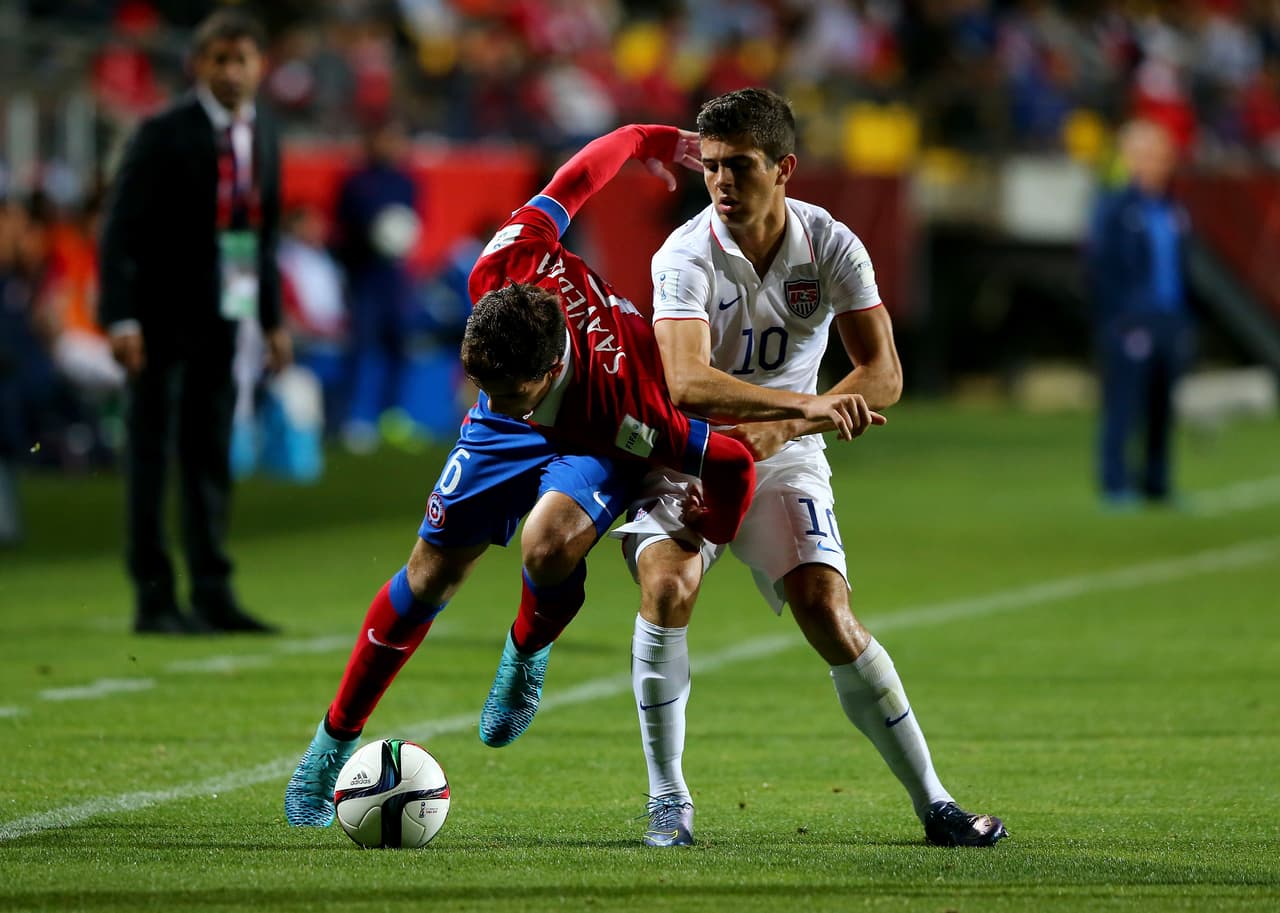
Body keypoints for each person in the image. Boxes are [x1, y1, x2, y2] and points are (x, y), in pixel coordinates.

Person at [283, 122, 870, 829]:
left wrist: (705, 529)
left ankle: (527, 650)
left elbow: (731, 461)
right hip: (507, 436)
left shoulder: (630, 407)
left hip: (591, 436)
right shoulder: (504, 264)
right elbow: (579, 177)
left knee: (549, 542)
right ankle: (328, 747)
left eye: (504, 389)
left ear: (548, 373)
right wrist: (647, 137)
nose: (487, 397)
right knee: (429, 573)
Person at [483, 88, 1006, 849]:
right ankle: (670, 803)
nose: (722, 183)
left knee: (827, 609)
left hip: (787, 453)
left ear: (784, 167)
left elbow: (884, 372)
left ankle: (935, 803)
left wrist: (791, 421)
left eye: (740, 167)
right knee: (667, 585)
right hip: (679, 450)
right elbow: (686, 380)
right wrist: (806, 406)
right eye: (712, 167)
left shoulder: (831, 245)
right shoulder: (685, 254)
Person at [99, 9, 291, 634]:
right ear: (199, 65)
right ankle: (155, 599)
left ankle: (212, 591)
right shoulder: (163, 131)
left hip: (223, 317)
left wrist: (268, 321)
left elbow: (255, 237)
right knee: (152, 459)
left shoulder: (262, 133)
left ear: (260, 66)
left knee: (209, 455)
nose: (231, 72)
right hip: (157, 319)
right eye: (219, 60)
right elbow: (119, 229)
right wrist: (121, 316)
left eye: (242, 60)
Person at [1086, 119, 1196, 508]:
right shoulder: (1115, 208)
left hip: (1169, 318)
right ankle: (1115, 483)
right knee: (1124, 403)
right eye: (1145, 155)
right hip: (1130, 321)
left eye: (1160, 156)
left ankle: (1157, 483)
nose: (1154, 163)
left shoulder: (1172, 209)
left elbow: (1184, 268)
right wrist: (1118, 320)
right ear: (1130, 159)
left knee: (1162, 406)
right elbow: (1101, 268)